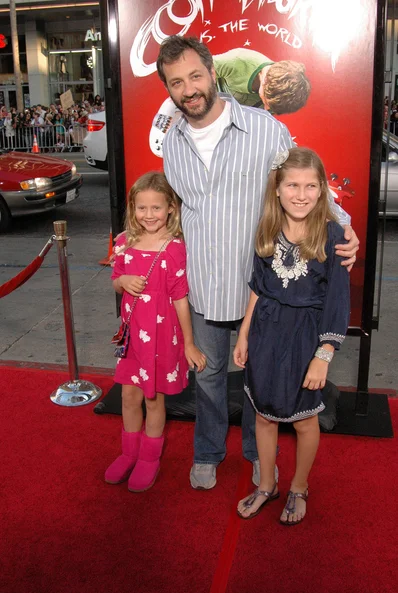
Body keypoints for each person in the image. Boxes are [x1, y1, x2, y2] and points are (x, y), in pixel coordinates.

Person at [156, 36, 358, 491]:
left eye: (194, 75)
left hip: (260, 290)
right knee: (207, 376)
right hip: (205, 285)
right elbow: (175, 214)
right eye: (176, 82)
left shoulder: (265, 129)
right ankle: (207, 451)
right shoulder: (172, 145)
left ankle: (255, 453)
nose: (188, 89)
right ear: (168, 90)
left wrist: (344, 226)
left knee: (256, 379)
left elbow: (304, 183)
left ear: (212, 71)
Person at [234, 147, 350, 524]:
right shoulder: (266, 229)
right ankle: (267, 484)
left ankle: (299, 486)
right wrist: (244, 333)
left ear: (322, 190)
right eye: (293, 185)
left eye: (311, 185)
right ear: (278, 189)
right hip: (266, 333)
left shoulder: (334, 237)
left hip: (306, 340)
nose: (301, 194)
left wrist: (324, 354)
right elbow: (258, 287)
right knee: (264, 415)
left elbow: (337, 301)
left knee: (303, 419)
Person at [106, 171, 206, 492]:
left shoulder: (175, 249)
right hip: (132, 338)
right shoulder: (123, 242)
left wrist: (189, 343)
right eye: (141, 208)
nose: (149, 215)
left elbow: (180, 298)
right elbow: (116, 279)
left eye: (156, 208)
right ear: (133, 208)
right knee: (129, 396)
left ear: (170, 209)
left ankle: (149, 458)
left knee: (152, 398)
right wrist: (122, 282)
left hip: (161, 339)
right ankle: (128, 452)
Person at [213, 48, 310, 113]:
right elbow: (199, 75)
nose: (267, 108)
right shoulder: (238, 60)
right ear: (265, 81)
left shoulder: (279, 99)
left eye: (270, 108)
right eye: (267, 103)